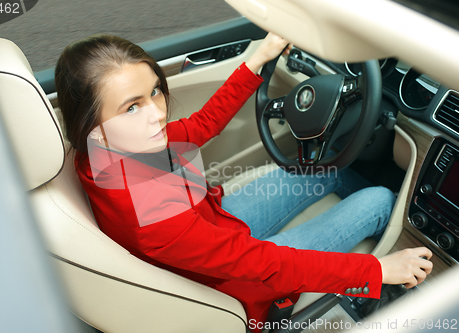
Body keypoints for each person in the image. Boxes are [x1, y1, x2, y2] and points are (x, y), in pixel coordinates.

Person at [55, 32, 433, 332]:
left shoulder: (105, 150)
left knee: (324, 169)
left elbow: (201, 125)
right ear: (96, 129)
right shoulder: (153, 218)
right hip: (231, 282)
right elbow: (265, 263)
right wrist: (378, 271)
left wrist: (258, 59)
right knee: (381, 199)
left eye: (155, 90)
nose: (157, 114)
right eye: (132, 107)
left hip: (213, 228)